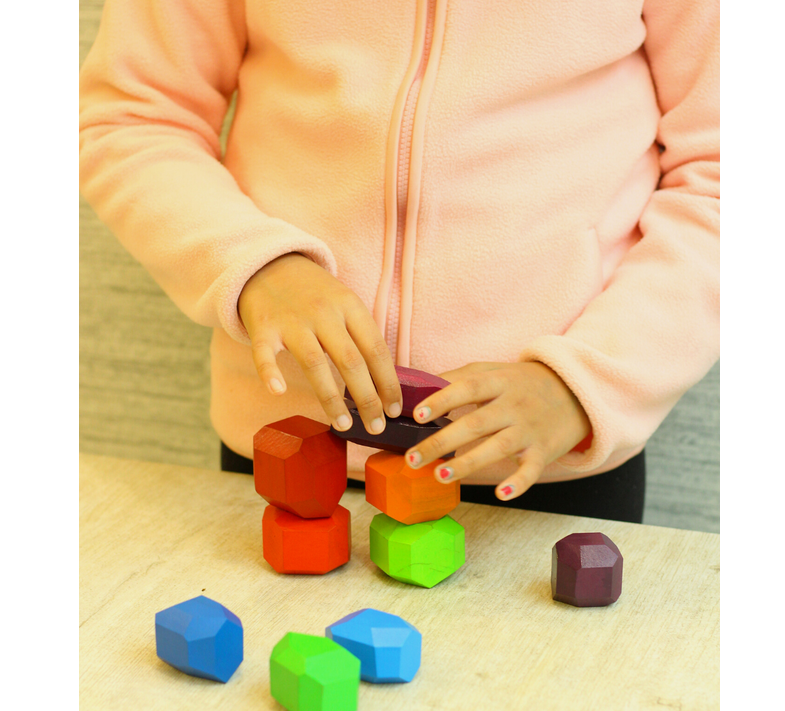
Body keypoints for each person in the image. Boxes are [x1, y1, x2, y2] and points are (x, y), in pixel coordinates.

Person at [79, 0, 719, 524]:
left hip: (549, 450)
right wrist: (256, 266)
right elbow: (134, 117)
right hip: (292, 441)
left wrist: (590, 384)